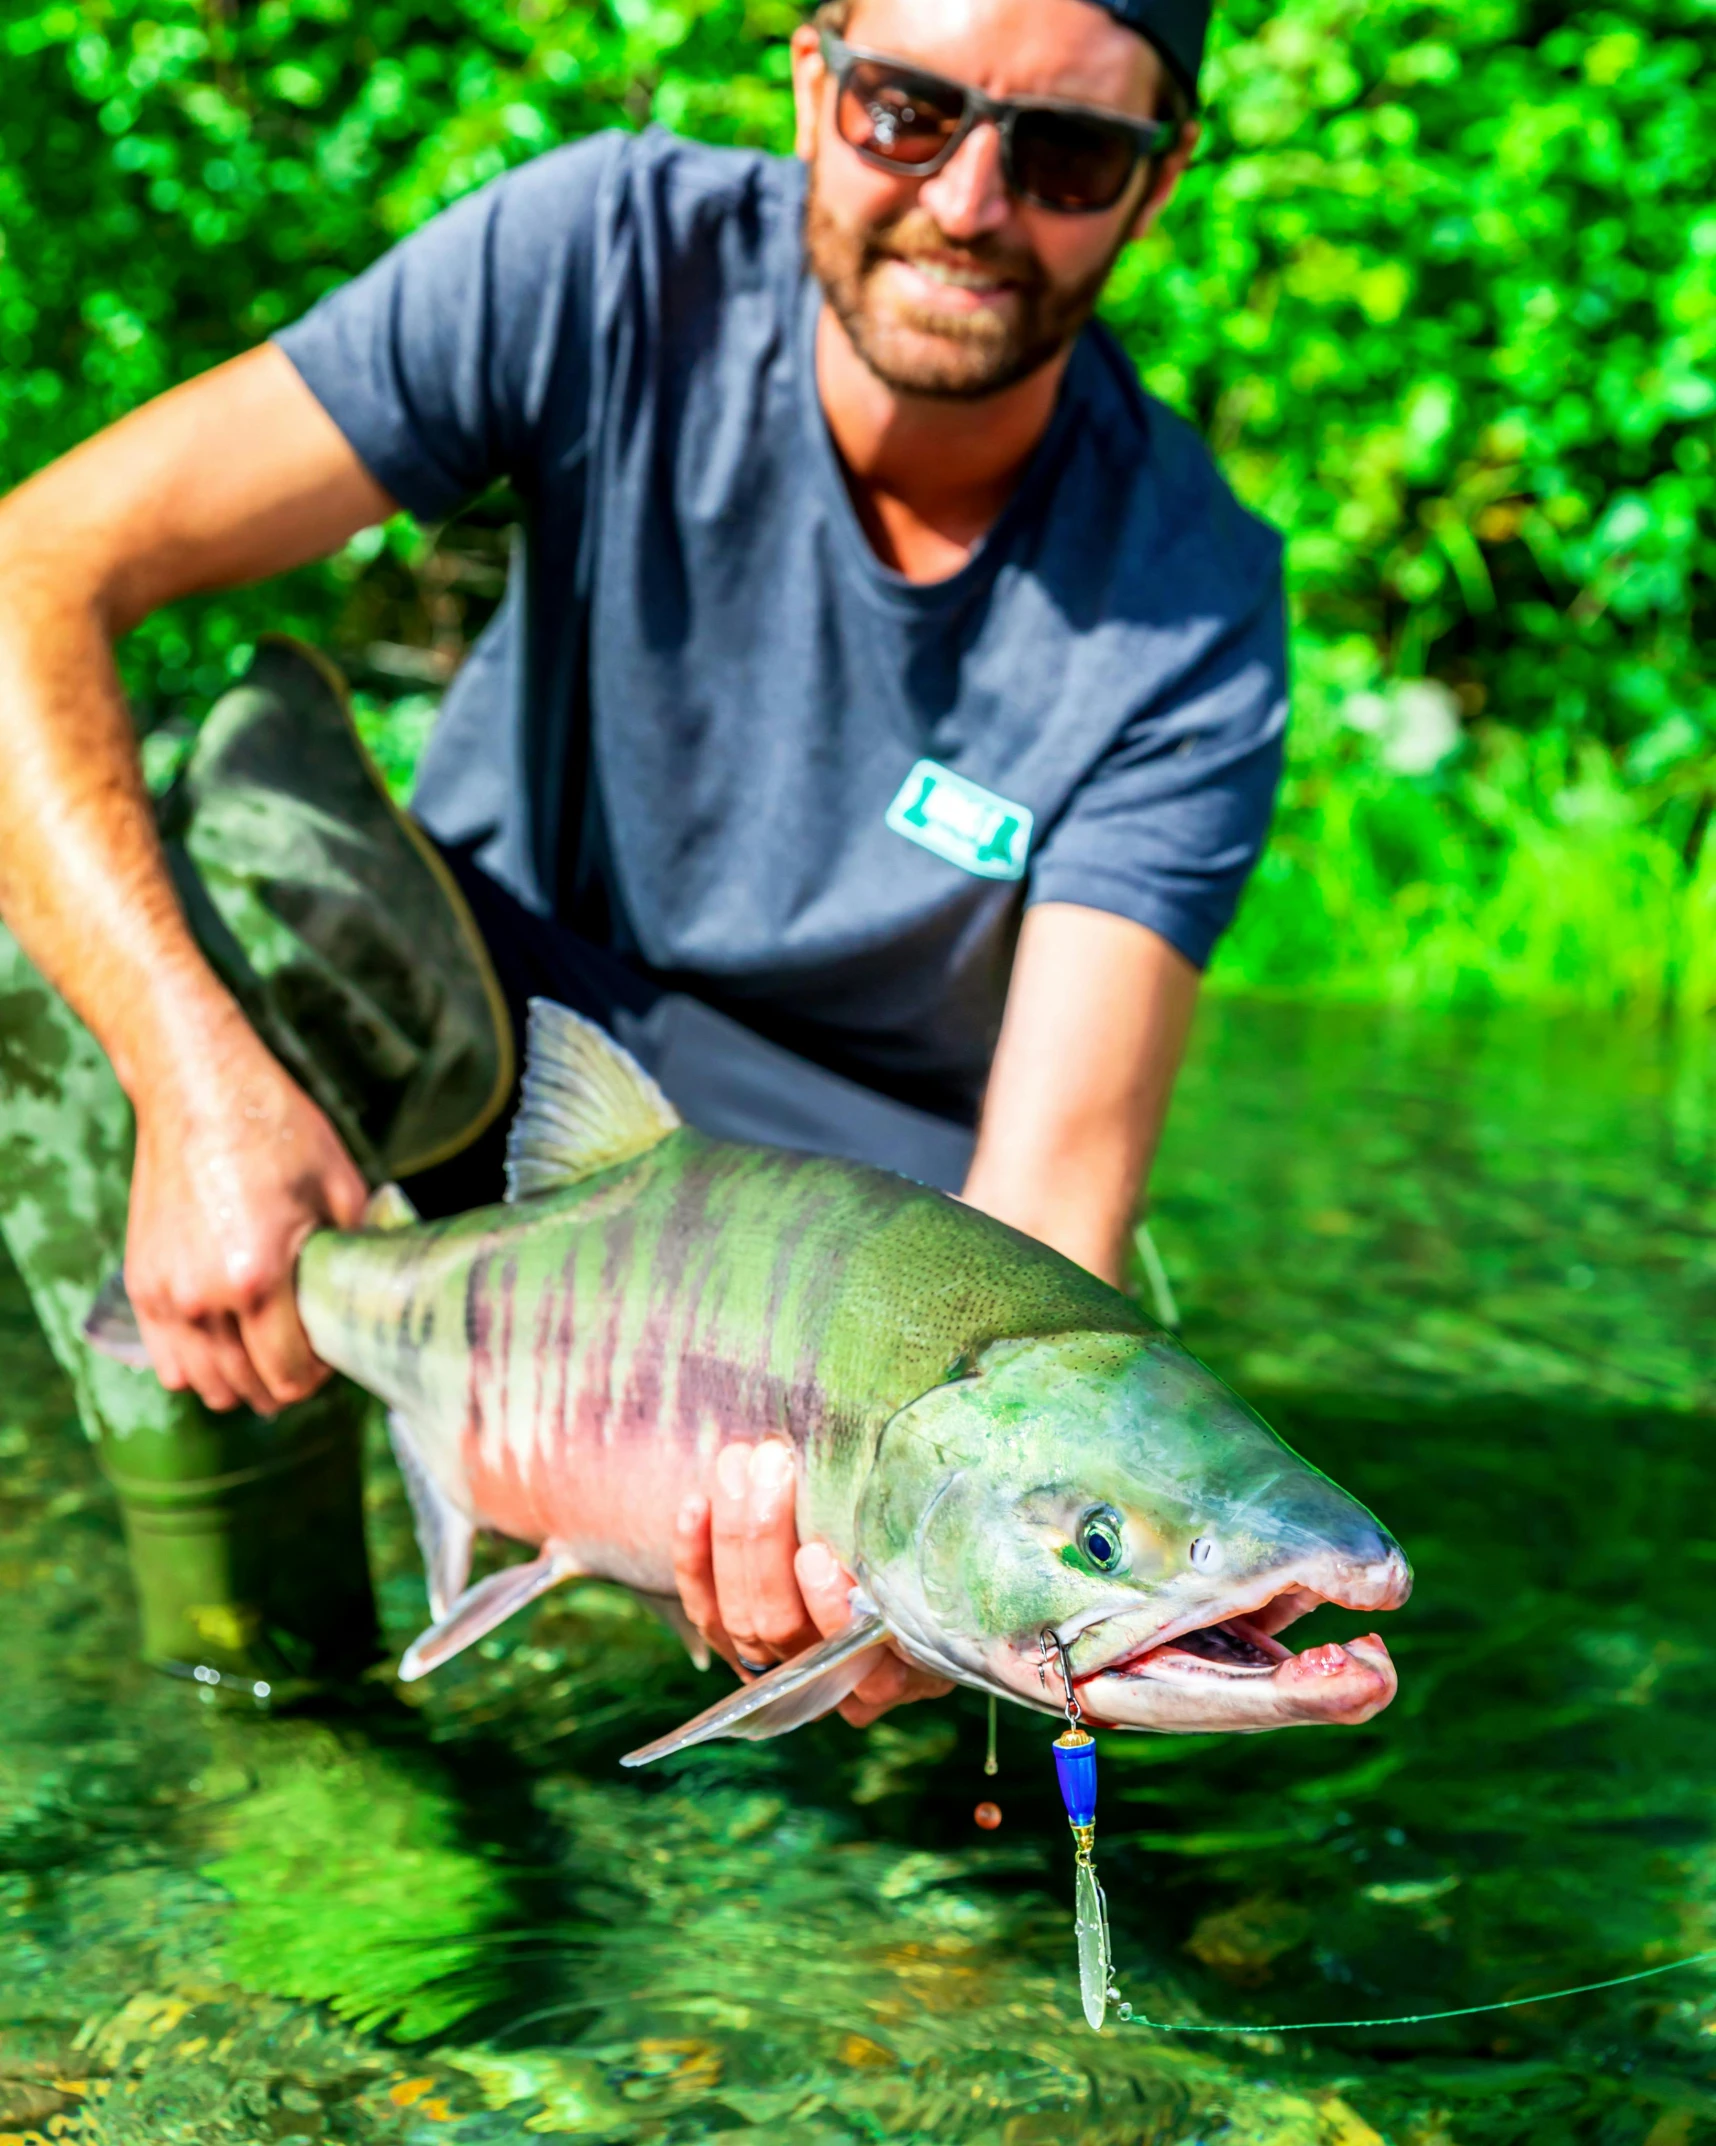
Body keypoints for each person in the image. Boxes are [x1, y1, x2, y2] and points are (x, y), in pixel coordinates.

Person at [0, 0, 1285, 1716]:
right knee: (188, 871)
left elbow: (1051, 1195)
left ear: (1156, 181)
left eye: (1064, 153)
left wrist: (907, 1607)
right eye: (910, 108)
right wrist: (191, 1080)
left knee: (1014, 1597)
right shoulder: (601, 260)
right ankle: (274, 1703)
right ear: (814, 78)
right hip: (509, 1103)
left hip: (860, 1297)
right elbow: (35, 577)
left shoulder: (1190, 604)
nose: (972, 200)